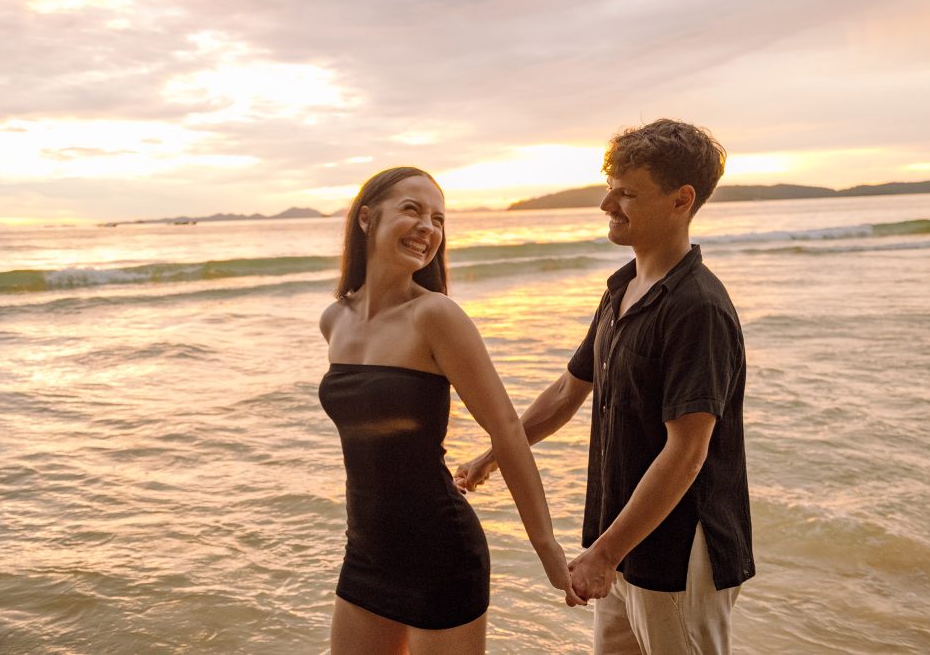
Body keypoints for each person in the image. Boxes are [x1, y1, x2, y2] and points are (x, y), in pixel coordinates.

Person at [456, 119, 755, 654]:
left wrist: (604, 555)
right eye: (609, 188)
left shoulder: (698, 309)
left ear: (681, 200)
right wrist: (494, 455)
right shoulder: (622, 290)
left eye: (625, 194)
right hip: (620, 543)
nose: (605, 205)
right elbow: (568, 392)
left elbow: (687, 451)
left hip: (677, 554)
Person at [318, 166, 584, 655]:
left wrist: (546, 546)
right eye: (412, 210)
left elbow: (505, 427)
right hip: (365, 553)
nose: (428, 228)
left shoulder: (436, 315)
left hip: (441, 554)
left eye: (438, 219)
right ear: (366, 219)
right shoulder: (334, 320)